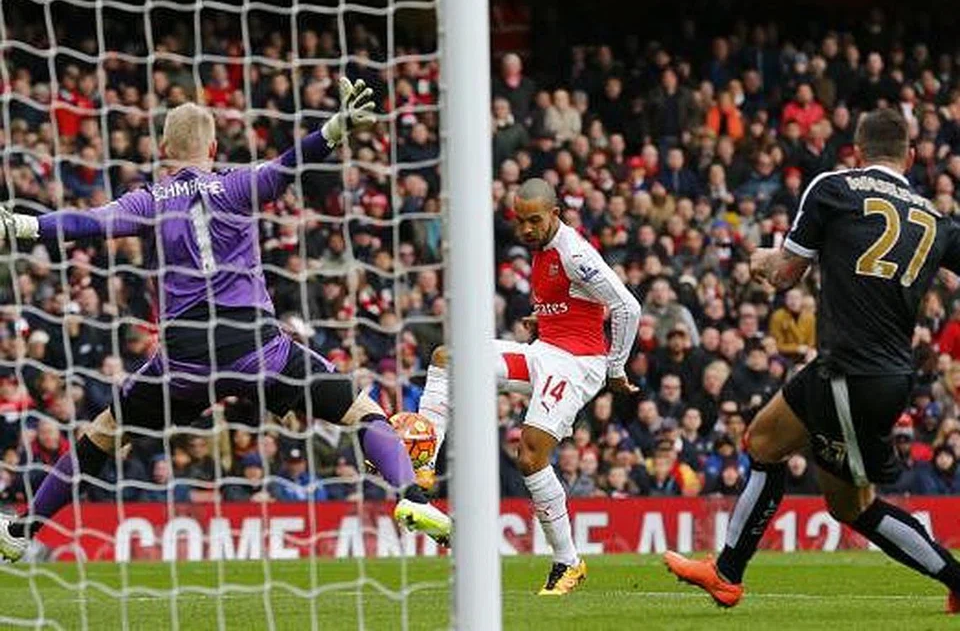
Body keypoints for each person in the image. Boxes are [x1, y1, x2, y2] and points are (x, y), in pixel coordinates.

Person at [0, 77, 450, 562]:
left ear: (165, 150)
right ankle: (411, 495)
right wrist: (336, 128)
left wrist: (24, 225)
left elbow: (90, 222)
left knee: (104, 434)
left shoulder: (148, 199)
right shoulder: (238, 183)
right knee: (362, 413)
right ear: (213, 147)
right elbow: (288, 165)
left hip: (184, 360)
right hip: (257, 347)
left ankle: (21, 530)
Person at [665, 108, 960, 614]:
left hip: (851, 373)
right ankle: (727, 574)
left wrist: (761, 261)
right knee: (763, 440)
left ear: (857, 152)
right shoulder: (936, 219)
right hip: (871, 371)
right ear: (911, 157)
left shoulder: (834, 188)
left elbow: (786, 274)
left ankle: (957, 578)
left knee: (854, 507)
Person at [416, 177, 641, 595]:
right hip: (545, 352)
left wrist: (615, 367)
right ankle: (423, 458)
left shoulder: (574, 253)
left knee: (531, 454)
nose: (526, 229)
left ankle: (567, 562)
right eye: (520, 221)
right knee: (447, 359)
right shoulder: (539, 248)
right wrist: (548, 319)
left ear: (555, 214)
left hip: (577, 364)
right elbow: (576, 303)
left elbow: (627, 306)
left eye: (534, 220)